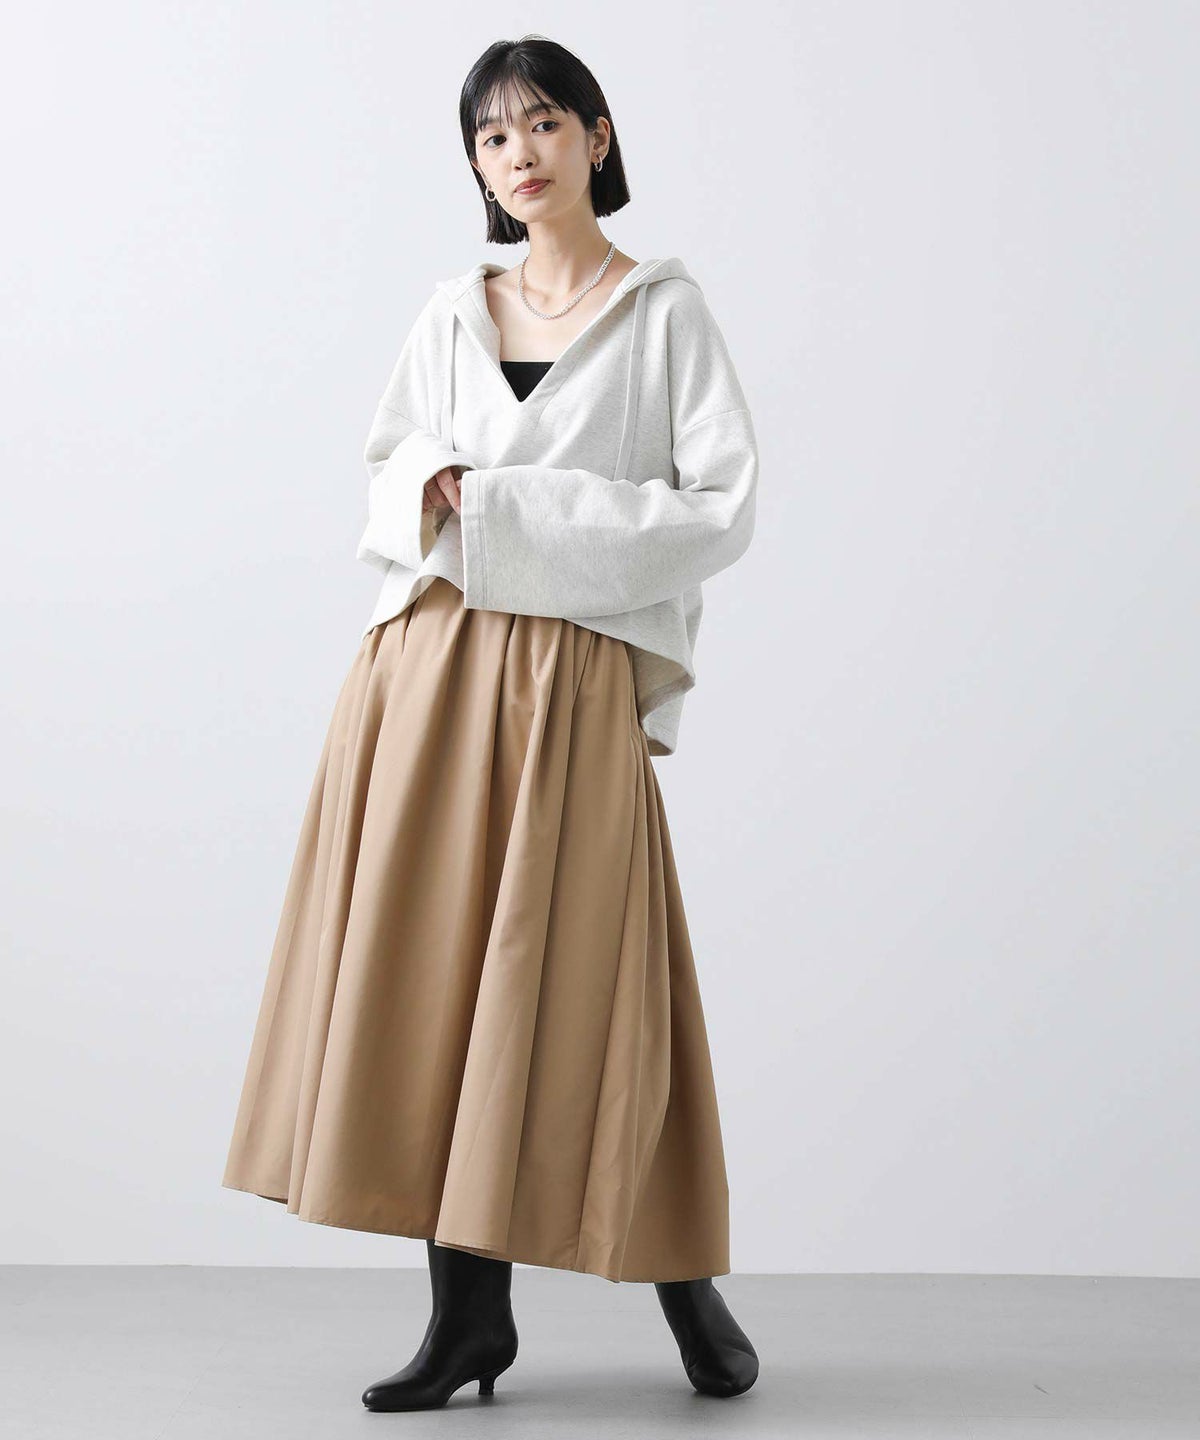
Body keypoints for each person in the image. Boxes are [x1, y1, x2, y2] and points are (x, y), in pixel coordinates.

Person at [221, 34, 761, 1411]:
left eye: (542, 124)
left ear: (597, 136)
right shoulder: (452, 310)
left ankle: (683, 1281)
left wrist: (504, 506)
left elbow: (721, 509)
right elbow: (387, 463)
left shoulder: (663, 312)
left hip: (571, 685)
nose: (519, 155)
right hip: (426, 669)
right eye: (491, 136)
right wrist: (433, 483)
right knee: (436, 983)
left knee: (596, 981)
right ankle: (468, 1320)